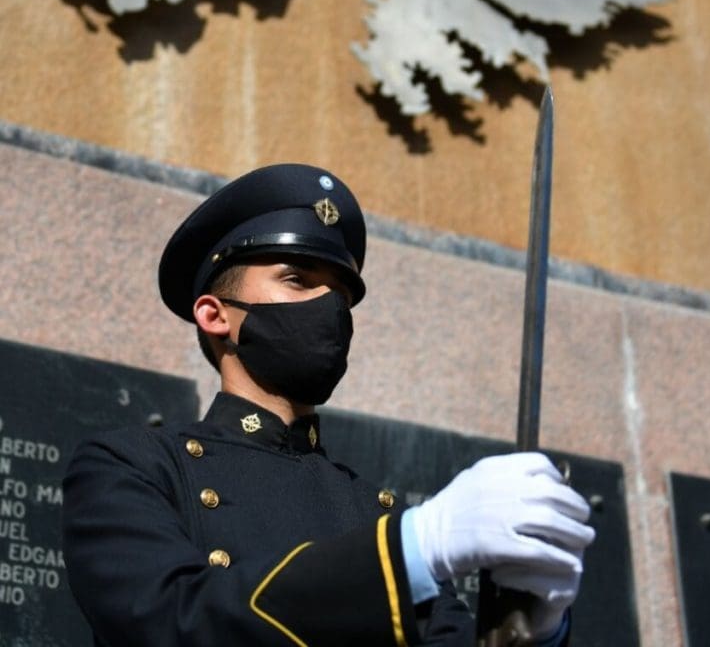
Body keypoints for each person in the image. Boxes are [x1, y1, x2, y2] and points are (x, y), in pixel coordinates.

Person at [62, 163, 594, 646]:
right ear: (214, 315)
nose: (329, 309)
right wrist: (413, 548)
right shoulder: (134, 466)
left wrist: (533, 628)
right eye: (297, 279)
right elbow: (165, 620)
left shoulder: (376, 513)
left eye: (341, 295)